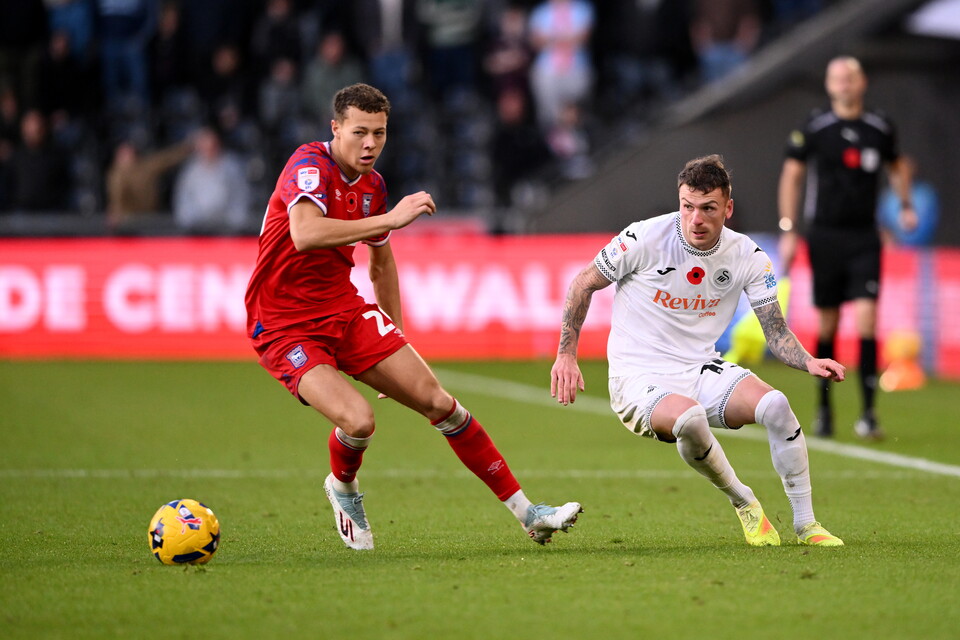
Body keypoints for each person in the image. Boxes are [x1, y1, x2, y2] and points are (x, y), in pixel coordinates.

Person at [244, 83, 582, 551]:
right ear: (335, 128)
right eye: (359, 132)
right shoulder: (308, 165)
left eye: (379, 134)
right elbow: (304, 233)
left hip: (342, 307)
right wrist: (390, 220)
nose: (370, 144)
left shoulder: (373, 186)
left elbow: (381, 264)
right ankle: (342, 487)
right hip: (282, 323)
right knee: (359, 421)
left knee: (441, 403)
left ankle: (530, 513)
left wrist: (394, 338)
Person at [551, 154, 844, 547]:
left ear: (728, 208)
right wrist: (566, 354)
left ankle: (807, 526)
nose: (696, 219)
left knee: (776, 406)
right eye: (687, 207)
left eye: (708, 209)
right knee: (689, 417)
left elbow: (775, 330)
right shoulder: (643, 238)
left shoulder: (748, 257)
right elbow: (582, 284)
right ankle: (744, 501)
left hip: (700, 368)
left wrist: (808, 361)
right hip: (638, 378)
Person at [777, 56, 916, 440]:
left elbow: (898, 165)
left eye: (849, 77)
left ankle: (869, 413)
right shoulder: (816, 127)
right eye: (837, 78)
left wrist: (905, 205)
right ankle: (824, 411)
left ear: (862, 82)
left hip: (865, 237)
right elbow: (792, 175)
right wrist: (788, 228)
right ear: (828, 84)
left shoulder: (879, 126)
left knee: (868, 319)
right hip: (825, 236)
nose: (843, 84)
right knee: (828, 324)